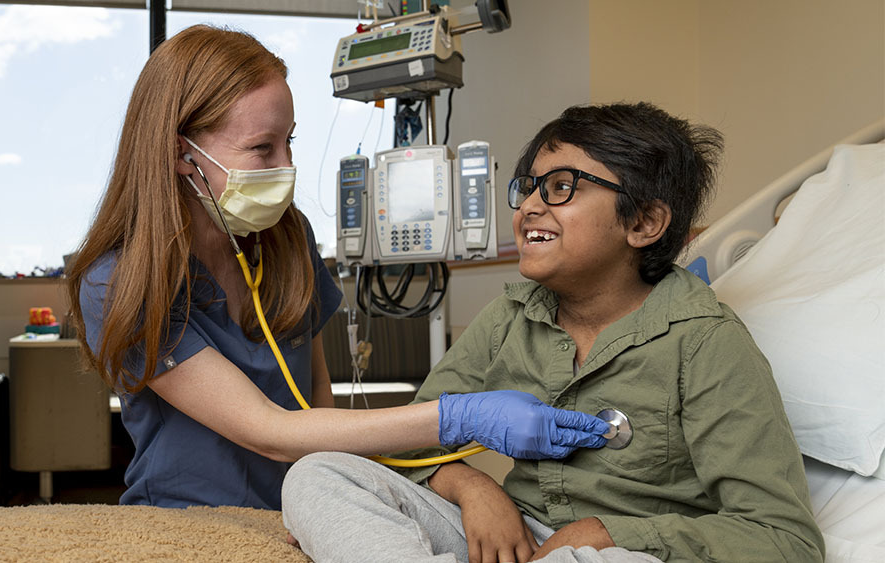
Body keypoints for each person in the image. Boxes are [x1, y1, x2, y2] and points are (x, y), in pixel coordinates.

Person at [65, 24, 611, 510]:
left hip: (308, 510)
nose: (287, 167)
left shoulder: (284, 237)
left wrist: (345, 495)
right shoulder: (118, 282)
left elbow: (315, 399)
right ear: (182, 154)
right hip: (190, 521)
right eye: (262, 148)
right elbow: (269, 430)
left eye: (290, 141)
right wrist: (463, 417)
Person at [281, 103, 826, 562]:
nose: (531, 206)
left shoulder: (705, 343)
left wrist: (610, 534)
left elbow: (784, 538)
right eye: (531, 187)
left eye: (563, 187)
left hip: (623, 552)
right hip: (516, 533)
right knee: (318, 474)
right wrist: (476, 489)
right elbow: (413, 440)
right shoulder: (511, 318)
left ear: (642, 223)